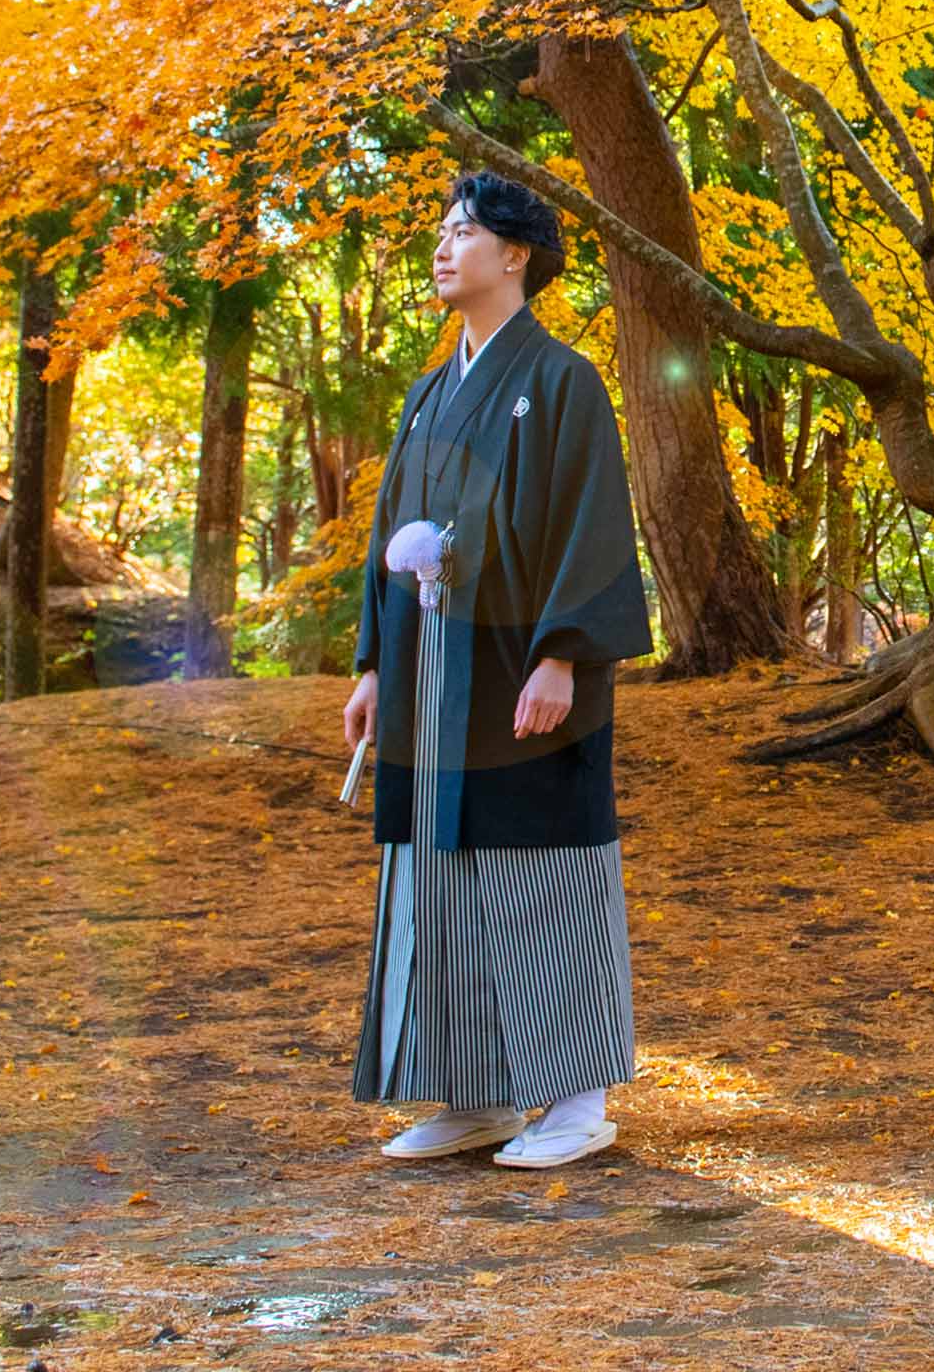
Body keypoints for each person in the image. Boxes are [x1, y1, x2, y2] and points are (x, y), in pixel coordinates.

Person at [345, 172, 655, 1169]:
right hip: (432, 673)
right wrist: (372, 666)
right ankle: (470, 1093)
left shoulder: (563, 381)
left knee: (543, 870)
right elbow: (391, 538)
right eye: (439, 233)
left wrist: (563, 654)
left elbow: (591, 522)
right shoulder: (428, 394)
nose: (442, 249)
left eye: (463, 233)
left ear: (516, 255)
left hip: (527, 669)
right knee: (435, 875)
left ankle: (574, 1100)